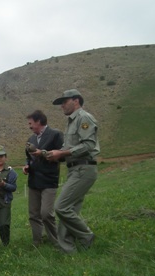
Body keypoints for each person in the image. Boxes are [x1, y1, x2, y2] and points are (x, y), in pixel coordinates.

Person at [47, 89, 100, 253]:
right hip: (74, 168)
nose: (62, 105)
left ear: (76, 100)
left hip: (83, 169)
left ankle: (86, 236)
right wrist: (54, 155)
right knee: (69, 210)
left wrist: (61, 153)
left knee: (61, 207)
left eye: (64, 101)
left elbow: (88, 145)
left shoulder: (84, 118)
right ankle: (67, 249)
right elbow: (69, 149)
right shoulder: (71, 121)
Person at [22, 110, 64, 247]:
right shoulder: (31, 139)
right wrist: (26, 166)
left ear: (38, 121)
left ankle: (56, 241)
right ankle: (37, 242)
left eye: (30, 123)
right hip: (33, 181)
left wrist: (43, 153)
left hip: (49, 180)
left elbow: (62, 156)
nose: (29, 126)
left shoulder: (55, 135)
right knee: (34, 214)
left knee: (46, 213)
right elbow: (29, 159)